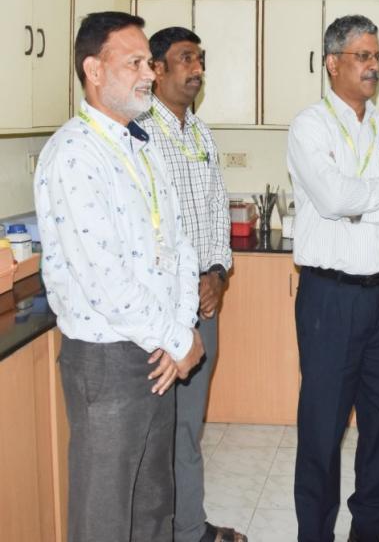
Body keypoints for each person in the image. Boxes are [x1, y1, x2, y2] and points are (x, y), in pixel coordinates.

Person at [34, 11, 204, 541]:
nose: (149, 75)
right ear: (94, 70)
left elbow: (179, 248)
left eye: (148, 63)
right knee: (105, 516)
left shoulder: (140, 146)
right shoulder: (73, 155)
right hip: (108, 360)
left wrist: (179, 332)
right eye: (134, 63)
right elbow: (105, 278)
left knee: (154, 505)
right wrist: (178, 338)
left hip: (156, 351)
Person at [287, 15, 379, 542]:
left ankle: (368, 532)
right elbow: (330, 197)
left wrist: (360, 205)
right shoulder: (310, 127)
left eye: (376, 57)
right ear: (332, 63)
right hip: (330, 297)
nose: (373, 67)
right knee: (322, 430)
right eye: (362, 57)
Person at [136, 27, 244, 542]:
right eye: (185, 59)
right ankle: (171, 530)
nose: (196, 68)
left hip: (204, 306)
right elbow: (150, 229)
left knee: (188, 428)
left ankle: (189, 527)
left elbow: (217, 214)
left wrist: (218, 275)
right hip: (160, 311)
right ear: (156, 69)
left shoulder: (200, 134)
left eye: (200, 58)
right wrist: (189, 283)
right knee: (160, 431)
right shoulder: (139, 134)